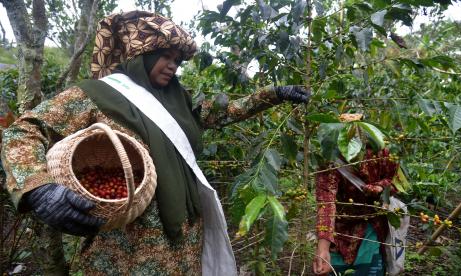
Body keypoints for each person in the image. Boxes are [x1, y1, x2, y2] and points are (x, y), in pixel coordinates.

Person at [1, 11, 309, 275]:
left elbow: (217, 113)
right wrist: (37, 188)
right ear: (140, 55)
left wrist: (274, 93)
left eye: (177, 59)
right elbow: (25, 131)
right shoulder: (96, 95)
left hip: (185, 239)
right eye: (164, 55)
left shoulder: (175, 97)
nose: (173, 65)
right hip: (126, 246)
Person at [312, 114, 399, 276]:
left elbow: (396, 181)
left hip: (371, 226)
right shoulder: (330, 160)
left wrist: (381, 187)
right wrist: (322, 249)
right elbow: (326, 203)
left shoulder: (380, 150)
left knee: (369, 268)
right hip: (339, 230)